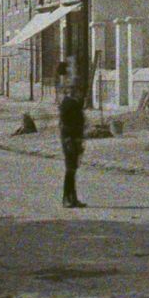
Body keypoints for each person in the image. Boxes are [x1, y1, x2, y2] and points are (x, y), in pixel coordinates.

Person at [57, 69, 87, 208]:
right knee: (70, 170)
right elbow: (65, 124)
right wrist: (70, 139)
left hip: (75, 139)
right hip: (69, 140)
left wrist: (80, 139)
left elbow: (80, 123)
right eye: (73, 89)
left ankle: (73, 198)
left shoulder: (75, 103)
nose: (76, 91)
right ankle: (66, 198)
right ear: (69, 90)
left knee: (73, 169)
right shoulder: (68, 104)